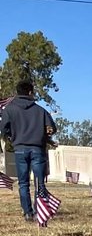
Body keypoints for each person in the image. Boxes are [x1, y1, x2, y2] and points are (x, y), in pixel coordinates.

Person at [0, 80, 57, 223]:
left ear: (17, 92)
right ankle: (41, 212)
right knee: (40, 183)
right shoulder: (40, 110)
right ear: (30, 92)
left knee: (23, 183)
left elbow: (3, 129)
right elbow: (52, 129)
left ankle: (27, 213)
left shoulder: (9, 109)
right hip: (38, 149)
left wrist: (11, 137)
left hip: (19, 149)